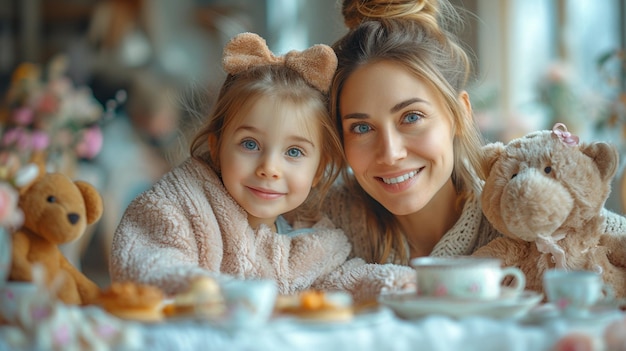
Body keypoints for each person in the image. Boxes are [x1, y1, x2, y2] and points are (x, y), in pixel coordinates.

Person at [310, 0, 626, 266]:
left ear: (461, 113)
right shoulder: (326, 219)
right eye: (362, 128)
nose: (391, 152)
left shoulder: (531, 209)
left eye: (412, 117)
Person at [109, 32, 415, 299]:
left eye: (294, 152)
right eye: (250, 144)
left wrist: (402, 285)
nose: (270, 168)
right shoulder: (177, 209)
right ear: (216, 148)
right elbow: (148, 264)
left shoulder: (311, 242)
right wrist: (220, 294)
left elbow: (347, 281)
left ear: (319, 169)